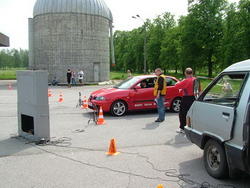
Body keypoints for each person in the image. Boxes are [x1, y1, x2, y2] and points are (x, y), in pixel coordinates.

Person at [175, 68, 198, 133]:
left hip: (186, 97)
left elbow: (177, 86)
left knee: (182, 113)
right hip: (194, 97)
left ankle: (182, 127)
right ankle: (193, 127)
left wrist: (178, 82)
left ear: (186, 73)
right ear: (192, 73)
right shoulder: (196, 80)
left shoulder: (186, 80)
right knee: (192, 113)